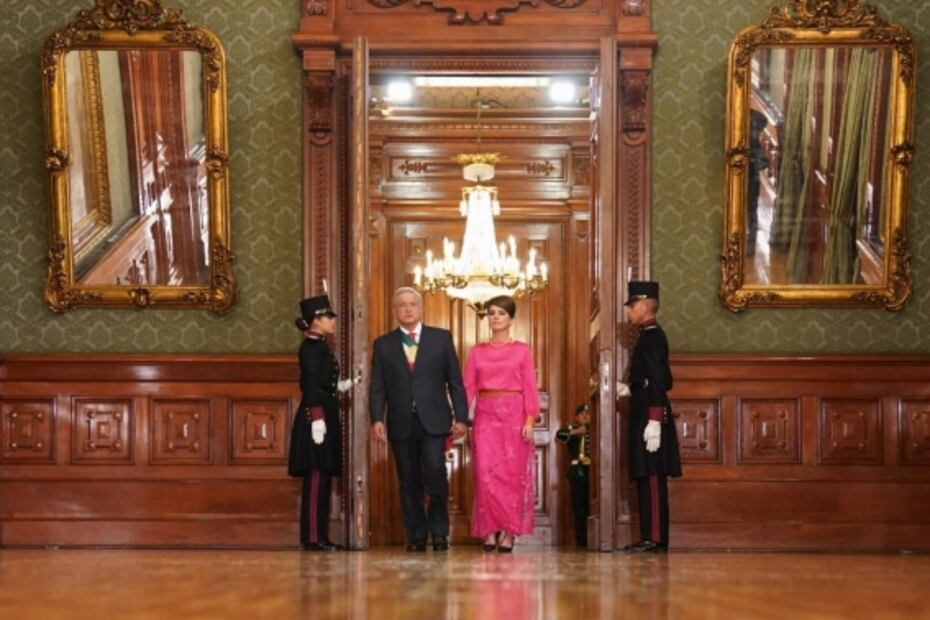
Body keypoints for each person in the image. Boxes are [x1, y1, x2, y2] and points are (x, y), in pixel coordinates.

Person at [369, 287, 469, 552]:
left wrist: (462, 418)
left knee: (435, 474)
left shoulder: (441, 338)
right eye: (401, 305)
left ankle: (439, 533)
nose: (408, 309)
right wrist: (377, 418)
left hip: (435, 422)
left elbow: (455, 382)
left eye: (412, 304)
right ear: (394, 311)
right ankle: (415, 536)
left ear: (421, 308)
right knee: (408, 480)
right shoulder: (383, 344)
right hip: (401, 422)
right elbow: (377, 386)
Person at [463, 295, 540, 553]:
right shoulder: (477, 351)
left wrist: (530, 419)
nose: (495, 317)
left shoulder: (522, 350)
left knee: (511, 476)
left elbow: (529, 386)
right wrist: (459, 417)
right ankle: (489, 530)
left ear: (511, 319)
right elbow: (468, 387)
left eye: (501, 313)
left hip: (514, 415)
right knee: (485, 474)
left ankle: (508, 533)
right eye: (492, 313)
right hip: (485, 415)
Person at [618, 281, 681, 553]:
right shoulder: (646, 335)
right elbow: (651, 378)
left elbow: (659, 380)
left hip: (650, 412)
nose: (629, 311)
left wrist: (655, 419)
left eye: (632, 305)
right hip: (644, 407)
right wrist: (629, 389)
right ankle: (649, 536)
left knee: (653, 474)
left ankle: (655, 538)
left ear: (644, 306)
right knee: (646, 473)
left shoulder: (653, 336)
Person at [287, 294, 353, 551]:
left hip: (325, 409)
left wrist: (342, 386)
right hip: (317, 415)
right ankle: (314, 538)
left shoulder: (320, 346)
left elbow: (324, 381)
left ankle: (320, 536)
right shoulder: (310, 348)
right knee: (316, 476)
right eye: (328, 317)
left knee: (322, 475)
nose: (332, 321)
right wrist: (317, 417)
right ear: (316, 321)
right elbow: (311, 384)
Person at [555, 403, 591, 547]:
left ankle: (593, 538)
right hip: (578, 473)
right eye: (582, 414)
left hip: (593, 473)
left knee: (592, 507)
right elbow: (560, 434)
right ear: (576, 417)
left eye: (588, 414)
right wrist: (577, 431)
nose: (585, 416)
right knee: (579, 507)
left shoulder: (596, 430)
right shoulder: (572, 430)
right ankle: (581, 541)